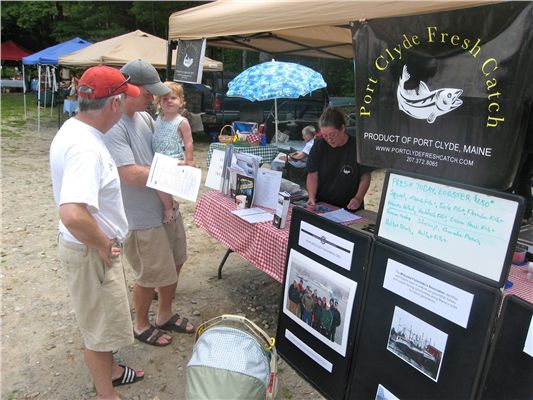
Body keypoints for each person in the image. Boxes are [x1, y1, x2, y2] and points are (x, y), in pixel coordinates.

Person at [50, 65, 144, 399]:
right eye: (125, 99)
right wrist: (104, 244)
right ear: (115, 104)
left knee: (101, 319)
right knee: (98, 330)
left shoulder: (75, 130)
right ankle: (108, 393)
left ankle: (114, 370)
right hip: (91, 250)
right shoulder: (85, 149)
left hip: (89, 247)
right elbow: (73, 213)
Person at [104, 59, 194, 348]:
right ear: (129, 88)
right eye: (148, 92)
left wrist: (178, 165)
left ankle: (164, 313)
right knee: (149, 274)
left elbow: (160, 153)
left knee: (176, 260)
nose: (153, 97)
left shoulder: (143, 117)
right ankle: (141, 323)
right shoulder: (114, 125)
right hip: (141, 215)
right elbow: (128, 173)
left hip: (165, 207)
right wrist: (173, 173)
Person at [306, 106, 371, 211]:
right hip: (322, 204)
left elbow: (365, 176)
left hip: (349, 207)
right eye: (325, 136)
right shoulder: (319, 145)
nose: (329, 139)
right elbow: (312, 174)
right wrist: (311, 197)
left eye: (332, 134)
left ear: (342, 128)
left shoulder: (358, 147)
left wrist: (358, 198)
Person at [152, 81, 195, 224]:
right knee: (161, 184)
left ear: (181, 101)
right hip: (159, 156)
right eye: (165, 98)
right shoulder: (159, 118)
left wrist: (189, 161)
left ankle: (168, 208)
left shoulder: (181, 121)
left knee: (159, 183)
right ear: (159, 102)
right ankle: (172, 203)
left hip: (172, 157)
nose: (169, 101)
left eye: (173, 98)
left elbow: (188, 142)